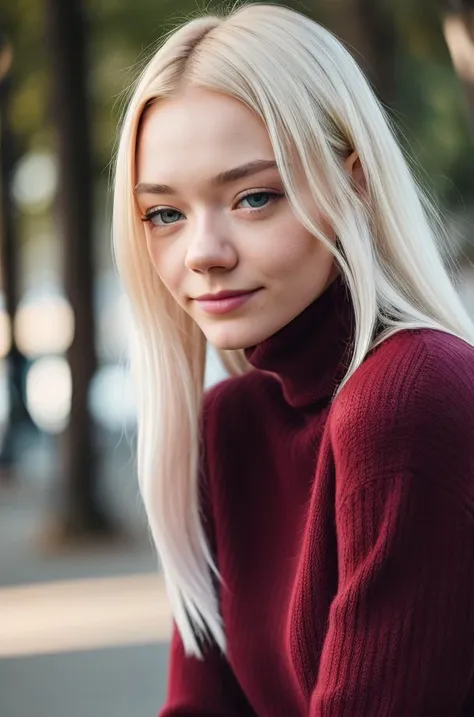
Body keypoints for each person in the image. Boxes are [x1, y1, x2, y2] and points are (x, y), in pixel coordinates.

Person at [112, 3, 474, 714]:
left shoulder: (410, 398)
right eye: (165, 213)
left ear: (356, 185)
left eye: (252, 198)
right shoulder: (229, 423)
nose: (203, 253)